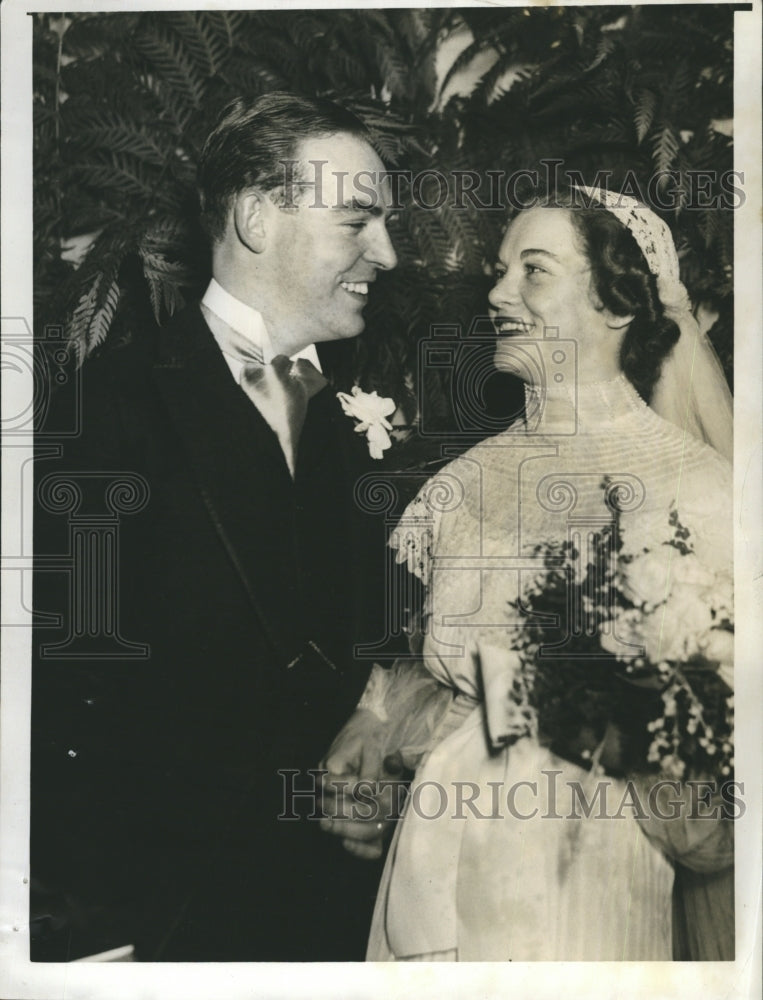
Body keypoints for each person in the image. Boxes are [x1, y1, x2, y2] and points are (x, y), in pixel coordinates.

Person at [31, 92, 398, 961]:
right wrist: (97, 931)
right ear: (256, 216)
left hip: (348, 919)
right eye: (357, 222)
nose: (388, 252)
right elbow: (67, 687)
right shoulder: (109, 408)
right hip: (178, 922)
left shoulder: (368, 415)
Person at [323, 186, 734, 960]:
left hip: (580, 885)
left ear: (617, 303)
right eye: (498, 268)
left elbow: (713, 783)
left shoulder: (698, 490)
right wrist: (374, 724)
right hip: (423, 869)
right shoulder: (456, 485)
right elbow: (440, 669)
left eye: (533, 271)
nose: (497, 291)